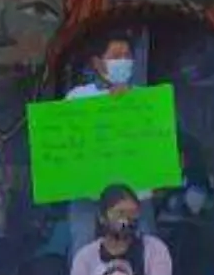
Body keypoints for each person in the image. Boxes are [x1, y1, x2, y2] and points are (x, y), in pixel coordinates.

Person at [65, 33, 153, 250]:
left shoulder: (146, 100)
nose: (123, 60)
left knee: (144, 245)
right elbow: (66, 146)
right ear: (98, 63)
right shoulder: (77, 98)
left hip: (136, 194)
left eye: (127, 55)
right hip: (88, 195)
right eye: (116, 56)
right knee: (83, 246)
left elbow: (155, 146)